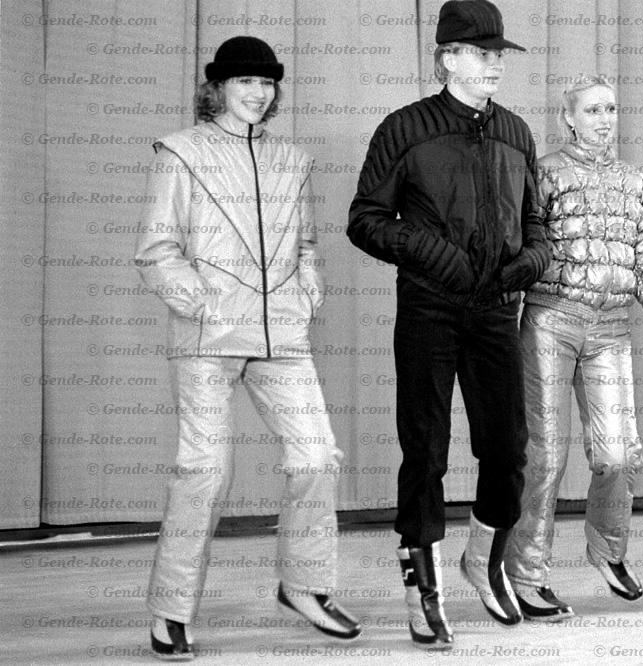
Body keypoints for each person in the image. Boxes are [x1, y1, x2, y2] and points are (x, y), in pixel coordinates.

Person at [135, 36, 360, 660]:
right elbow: (156, 250)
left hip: (282, 336)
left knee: (316, 459)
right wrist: (205, 304)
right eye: (244, 82)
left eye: (266, 82)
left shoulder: (293, 160)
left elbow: (306, 244)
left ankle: (305, 586)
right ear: (218, 88)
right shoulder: (181, 153)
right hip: (207, 338)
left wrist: (307, 290)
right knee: (204, 472)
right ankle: (171, 610)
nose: (258, 93)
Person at [347, 0, 550, 648]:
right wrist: (436, 256)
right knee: (426, 452)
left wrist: (529, 262)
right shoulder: (404, 128)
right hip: (429, 308)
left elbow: (537, 220)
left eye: (498, 54)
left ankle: (484, 561)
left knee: (509, 449)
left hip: (496, 311)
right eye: (482, 53)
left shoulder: (516, 131)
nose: (495, 64)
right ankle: (423, 588)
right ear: (448, 59)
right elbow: (364, 220)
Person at [502, 75, 643, 621]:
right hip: (550, 320)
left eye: (610, 109)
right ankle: (525, 573)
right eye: (592, 110)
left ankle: (608, 551)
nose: (604, 120)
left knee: (618, 454)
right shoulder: (545, 173)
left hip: (610, 328)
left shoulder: (635, 182)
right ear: (569, 118)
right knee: (544, 455)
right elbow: (521, 245)